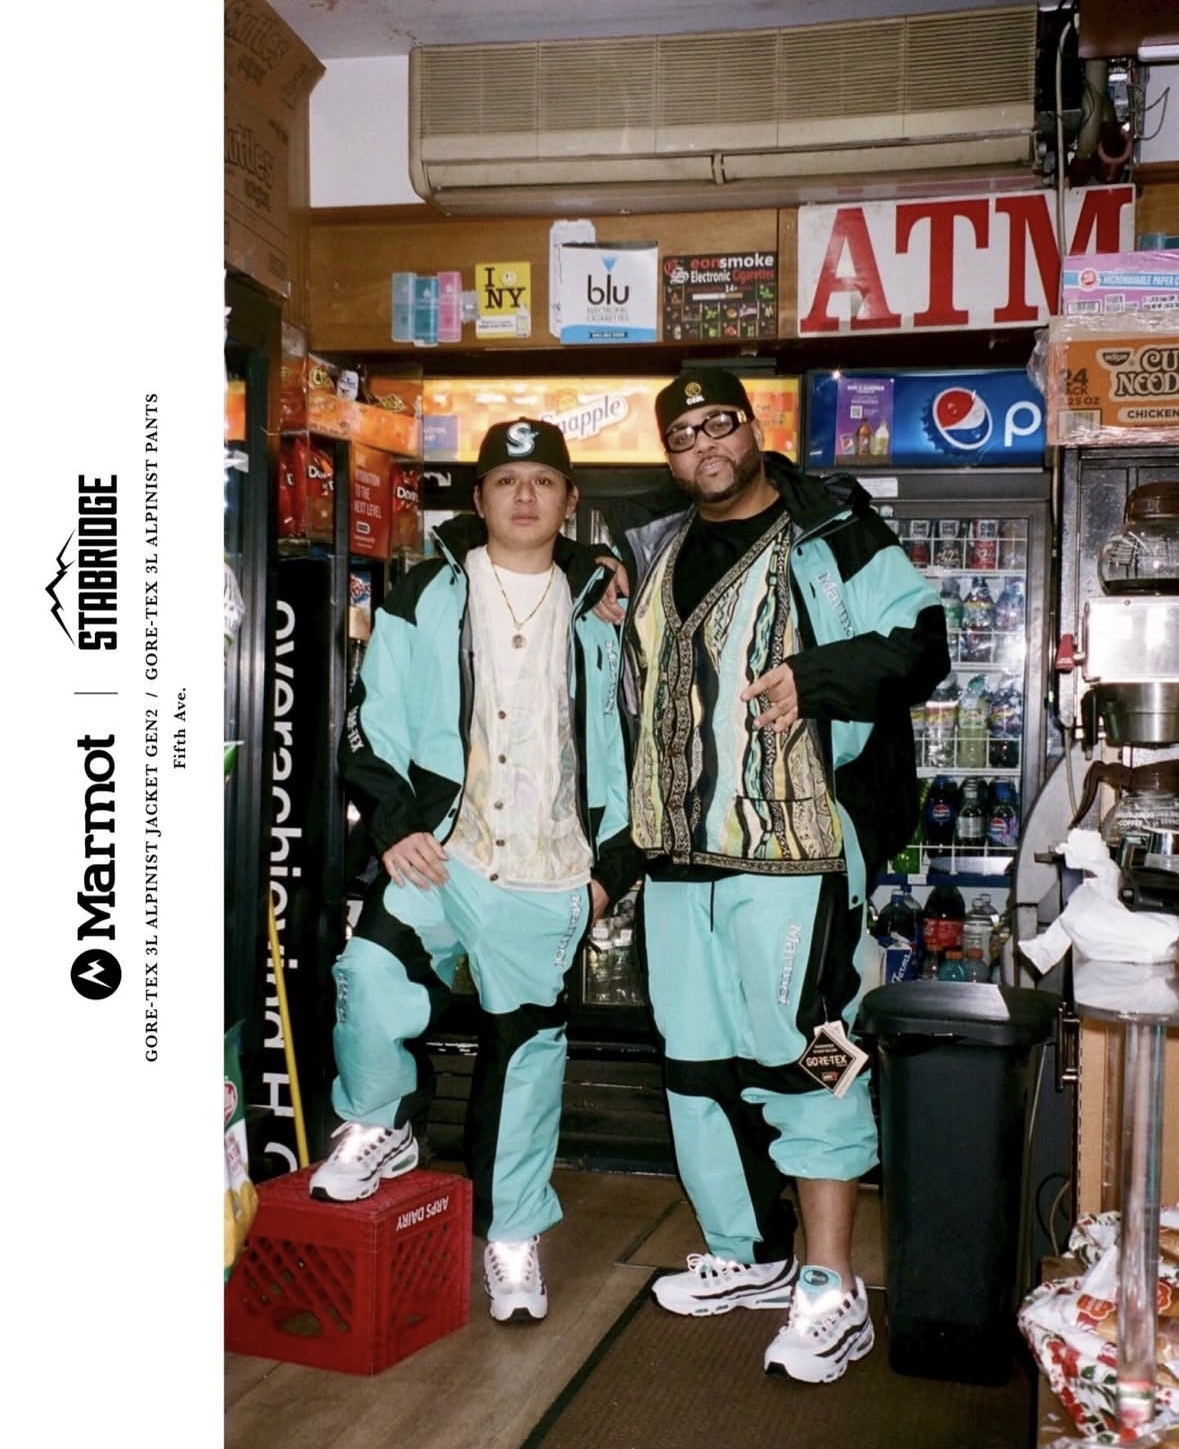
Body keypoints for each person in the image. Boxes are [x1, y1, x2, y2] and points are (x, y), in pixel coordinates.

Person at [601, 368, 949, 1383]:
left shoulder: (833, 530)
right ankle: (749, 1251)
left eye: (719, 423)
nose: (704, 444)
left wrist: (817, 675)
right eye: (682, 434)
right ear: (669, 456)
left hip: (795, 852)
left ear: (753, 428)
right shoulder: (651, 548)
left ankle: (831, 1288)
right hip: (677, 859)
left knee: (810, 1053)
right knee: (697, 1063)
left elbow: (921, 642)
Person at [309, 417, 639, 1325]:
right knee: (368, 974)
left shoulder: (609, 606)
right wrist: (394, 823)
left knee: (524, 1064)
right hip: (442, 853)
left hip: (549, 869)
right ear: (480, 496)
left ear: (570, 499)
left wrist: (610, 871)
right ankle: (382, 1121)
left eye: (543, 480)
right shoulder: (426, 590)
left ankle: (512, 1235)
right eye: (505, 480)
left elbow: (643, 745)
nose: (524, 496)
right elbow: (370, 716)